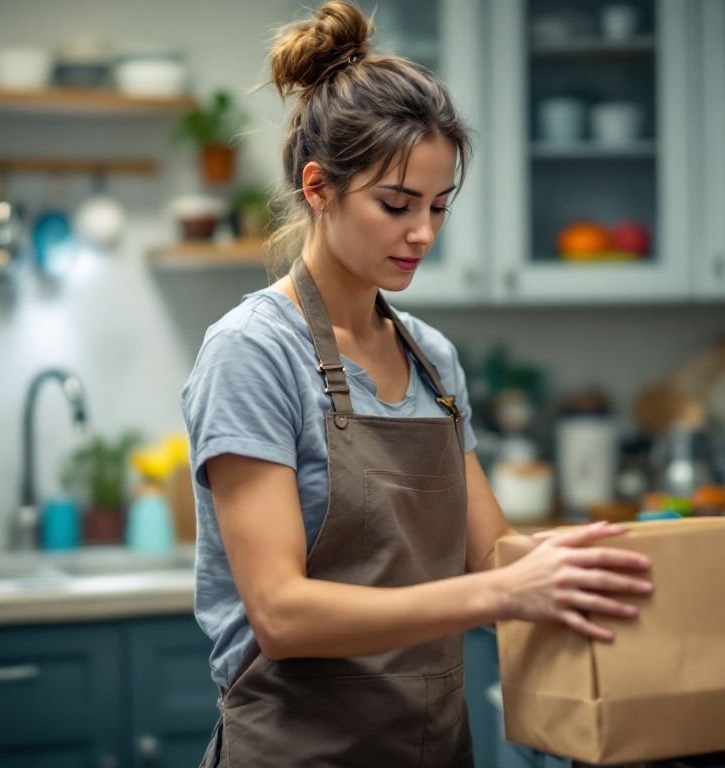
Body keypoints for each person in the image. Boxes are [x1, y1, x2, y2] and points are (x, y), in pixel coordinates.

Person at [182, 3, 653, 765]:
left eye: (438, 207)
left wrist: (587, 567)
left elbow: (492, 554)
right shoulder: (252, 352)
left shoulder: (432, 359)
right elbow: (281, 613)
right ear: (318, 189)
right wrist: (504, 593)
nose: (424, 234)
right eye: (397, 205)